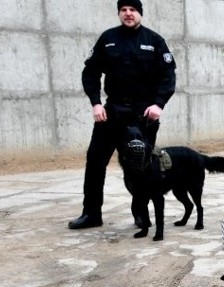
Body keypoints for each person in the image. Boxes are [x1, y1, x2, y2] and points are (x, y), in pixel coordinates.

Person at [69, 0, 176, 230]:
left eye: (133, 10)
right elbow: (90, 73)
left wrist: (159, 104)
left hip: (142, 115)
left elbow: (168, 76)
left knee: (140, 166)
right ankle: (91, 214)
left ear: (140, 14)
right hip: (112, 113)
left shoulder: (154, 41)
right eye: (124, 10)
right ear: (119, 13)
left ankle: (140, 214)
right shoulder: (107, 39)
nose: (128, 14)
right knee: (95, 161)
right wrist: (96, 103)